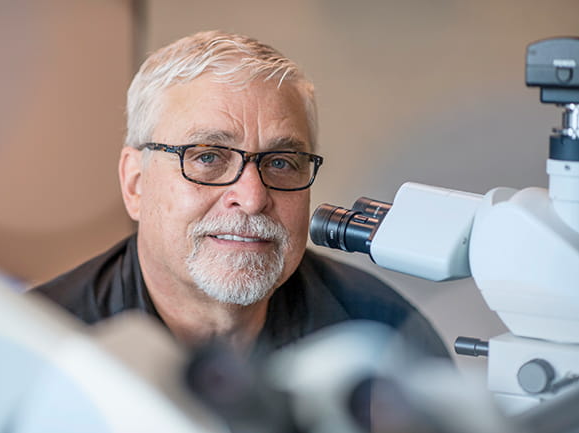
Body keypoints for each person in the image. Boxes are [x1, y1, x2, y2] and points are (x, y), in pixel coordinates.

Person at [34, 30, 449, 361]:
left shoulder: (385, 335)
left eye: (282, 162)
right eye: (208, 157)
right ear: (135, 183)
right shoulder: (36, 345)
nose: (252, 197)